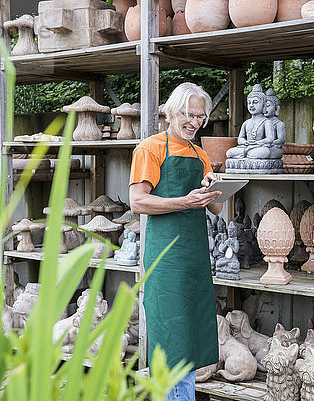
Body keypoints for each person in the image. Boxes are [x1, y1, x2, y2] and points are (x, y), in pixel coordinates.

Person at [129, 82, 223, 401]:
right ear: (171, 112)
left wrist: (216, 185)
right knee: (170, 338)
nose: (195, 122)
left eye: (201, 117)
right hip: (165, 258)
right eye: (189, 114)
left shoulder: (200, 154)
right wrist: (183, 201)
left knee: (192, 337)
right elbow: (138, 202)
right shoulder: (151, 148)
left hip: (195, 258)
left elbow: (216, 206)